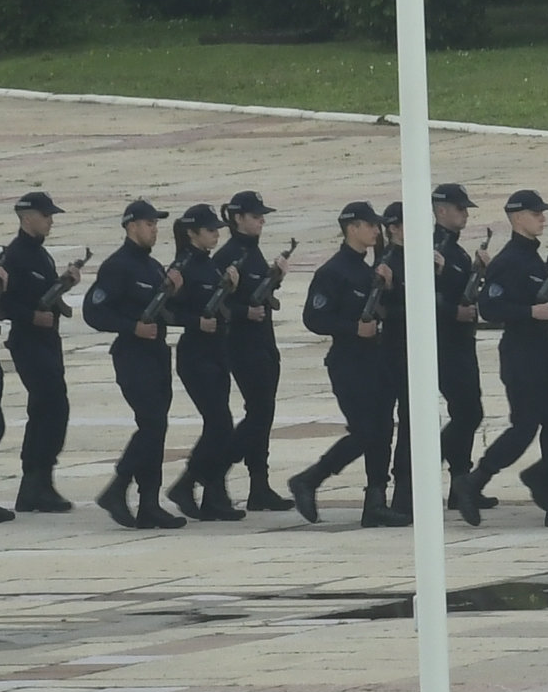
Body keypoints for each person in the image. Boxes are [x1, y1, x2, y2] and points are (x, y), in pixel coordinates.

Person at [281, 201, 412, 525]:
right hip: (349, 363)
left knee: (381, 432)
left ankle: (376, 501)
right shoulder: (334, 271)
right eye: (369, 225)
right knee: (366, 431)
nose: (375, 231)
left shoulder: (370, 269)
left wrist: (390, 287)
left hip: (375, 361)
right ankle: (309, 479)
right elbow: (314, 317)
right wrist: (353, 328)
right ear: (352, 228)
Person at [462, 192, 548, 526]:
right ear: (518, 217)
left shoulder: (533, 259)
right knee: (525, 426)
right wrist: (529, 312)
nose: (543, 218)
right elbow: (490, 307)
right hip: (521, 353)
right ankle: (475, 480)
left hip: (543, 351)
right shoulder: (509, 261)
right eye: (536, 214)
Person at [84, 200, 179, 530]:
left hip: (157, 354)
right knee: (151, 425)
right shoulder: (118, 266)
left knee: (157, 428)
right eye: (149, 223)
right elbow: (94, 312)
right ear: (131, 226)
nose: (154, 228)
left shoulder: (153, 267)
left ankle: (149, 503)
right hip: (132, 355)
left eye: (156, 223)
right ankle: (117, 487)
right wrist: (131, 327)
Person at [202, 195, 289, 521]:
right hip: (241, 345)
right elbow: (216, 301)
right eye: (255, 216)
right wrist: (242, 312)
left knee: (263, 414)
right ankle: (213, 470)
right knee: (258, 413)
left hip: (264, 342)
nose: (261, 221)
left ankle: (259, 484)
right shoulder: (229, 256)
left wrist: (274, 280)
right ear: (238, 219)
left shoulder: (252, 252)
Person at [0, 192, 72, 523]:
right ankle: (34, 481)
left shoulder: (40, 254)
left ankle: (39, 482)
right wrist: (29, 316)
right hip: (28, 342)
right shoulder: (13, 256)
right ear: (27, 218)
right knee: (50, 404)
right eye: (46, 215)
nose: (51, 220)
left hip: (48, 341)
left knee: (49, 408)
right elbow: (0, 301)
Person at [159, 207, 245, 519]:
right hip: (196, 353)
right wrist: (196, 322)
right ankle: (187, 482)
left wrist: (230, 290)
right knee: (220, 423)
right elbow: (166, 310)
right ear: (193, 233)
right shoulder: (182, 267)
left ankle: (214, 496)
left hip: (217, 350)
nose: (216, 234)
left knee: (220, 425)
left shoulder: (208, 263)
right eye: (209, 230)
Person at [426, 184, 487, 507]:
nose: (465, 214)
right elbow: (422, 294)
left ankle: (459, 484)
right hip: (444, 342)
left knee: (468, 410)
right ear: (441, 211)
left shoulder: (456, 249)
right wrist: (454, 311)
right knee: (468, 411)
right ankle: (439, 473)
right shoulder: (435, 247)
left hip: (461, 341)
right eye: (459, 209)